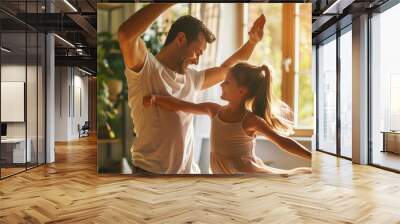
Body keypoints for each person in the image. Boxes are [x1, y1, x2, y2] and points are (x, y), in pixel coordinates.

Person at [118, 3, 266, 174]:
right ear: (181, 39)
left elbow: (228, 69)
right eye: (197, 52)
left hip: (188, 175)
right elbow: (125, 35)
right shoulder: (146, 69)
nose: (197, 60)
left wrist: (252, 42)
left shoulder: (193, 79)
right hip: (149, 174)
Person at [143, 62, 312, 175]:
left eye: (227, 82)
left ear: (242, 91)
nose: (221, 85)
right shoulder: (214, 111)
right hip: (222, 177)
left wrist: (313, 157)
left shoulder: (250, 120)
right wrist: (156, 99)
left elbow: (282, 141)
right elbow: (181, 105)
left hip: (246, 176)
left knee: (293, 176)